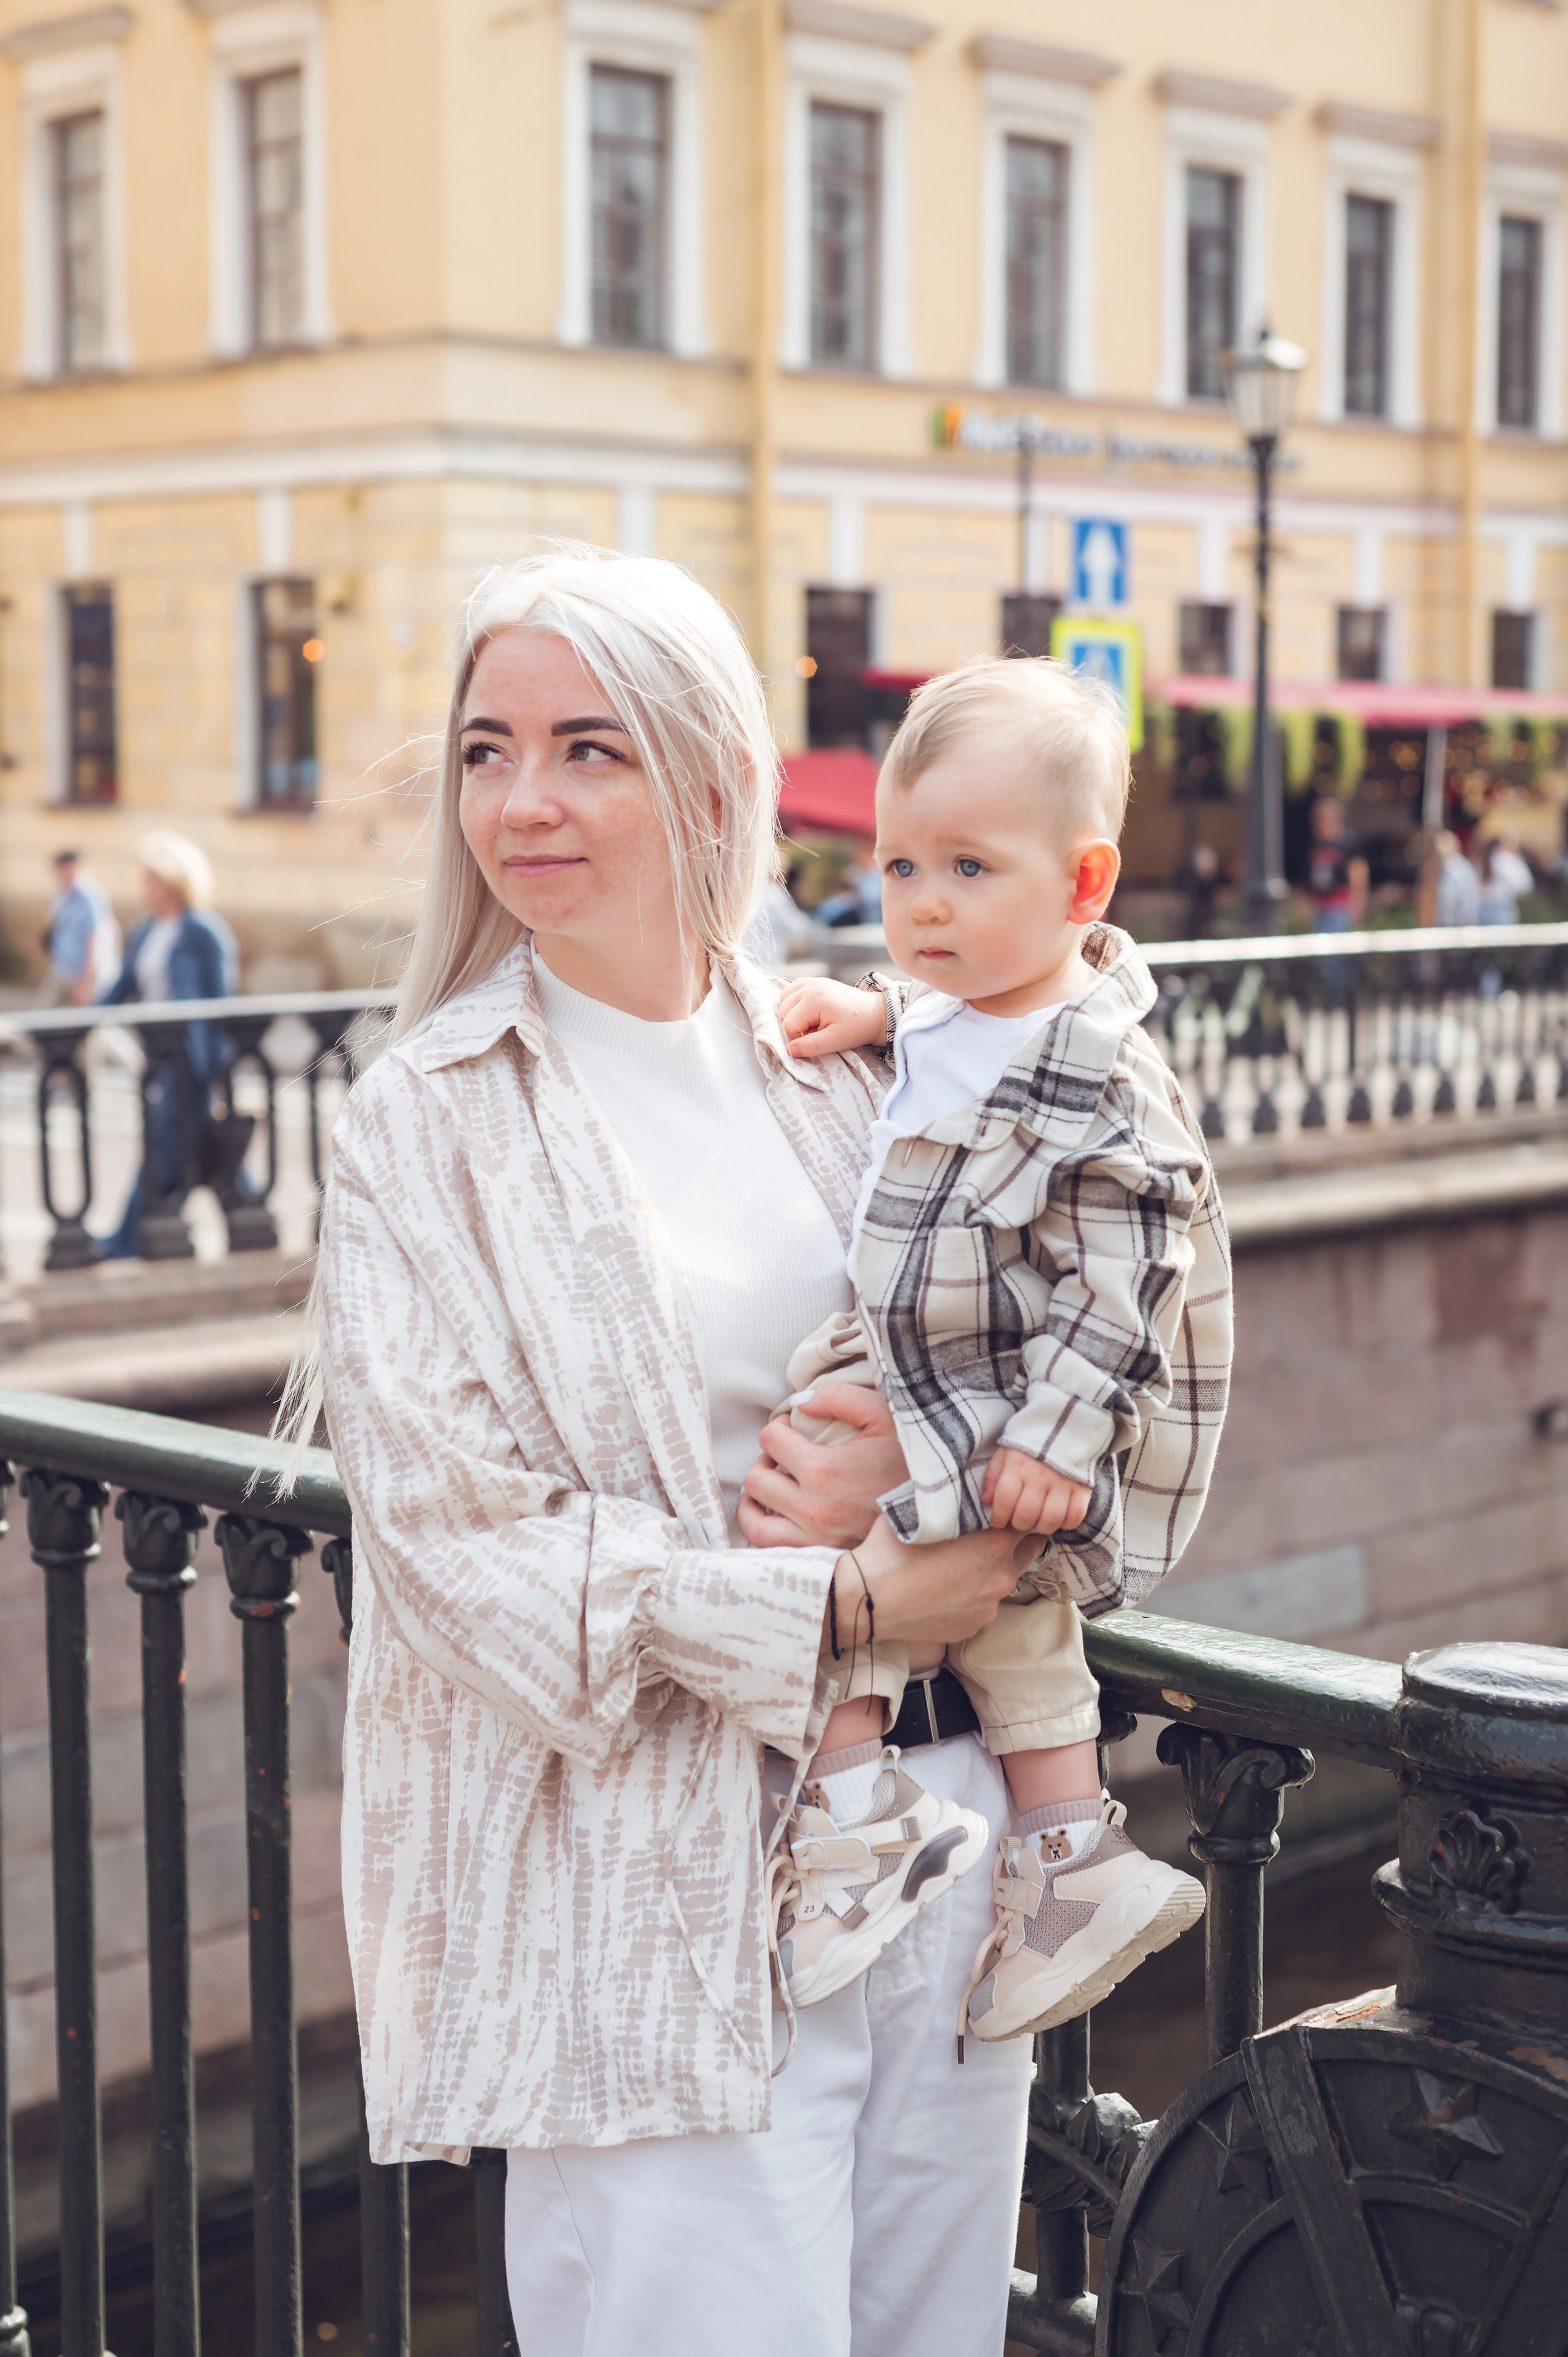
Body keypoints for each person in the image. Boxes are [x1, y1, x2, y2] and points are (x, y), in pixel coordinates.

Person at [299, 549, 1033, 2357]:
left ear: (713, 774)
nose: (521, 802)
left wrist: (921, 1471)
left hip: (943, 1841)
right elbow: (461, 1551)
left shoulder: (853, 1060)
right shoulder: (428, 1119)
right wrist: (842, 1602)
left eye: (586, 748)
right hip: (647, 1879)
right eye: (487, 749)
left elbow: (1080, 1324)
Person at [770, 658, 1229, 2048]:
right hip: (947, 1361)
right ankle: (1057, 1849)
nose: (922, 903)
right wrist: (871, 1006)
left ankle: (865, 1817)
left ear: (1082, 886)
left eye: (967, 866)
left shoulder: (1089, 1062)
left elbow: (1130, 1269)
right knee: (913, 1552)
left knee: (818, 1522)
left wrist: (1052, 1438)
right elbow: (942, 1010)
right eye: (899, 863)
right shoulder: (970, 1006)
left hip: (1020, 1405)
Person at [97, 832, 241, 1258]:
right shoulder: (144, 932)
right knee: (186, 1144)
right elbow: (122, 986)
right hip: (159, 1060)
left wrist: (219, 1071)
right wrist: (83, 1014)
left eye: (152, 880)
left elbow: (221, 1003)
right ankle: (243, 1226)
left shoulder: (204, 932)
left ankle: (128, 1239)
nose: (145, 889)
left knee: (187, 1143)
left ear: (175, 882)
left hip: (192, 1059)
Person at [40, 848, 119, 1007]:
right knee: (45, 1015)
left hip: (79, 973)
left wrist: (87, 983)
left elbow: (94, 939)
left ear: (70, 867)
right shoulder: (63, 895)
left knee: (77, 1021)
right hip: (61, 968)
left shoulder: (90, 898)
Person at [1305, 796, 1368, 932]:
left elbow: (1359, 876)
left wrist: (1357, 906)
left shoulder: (1348, 843)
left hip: (1340, 907)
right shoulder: (1315, 844)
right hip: (1320, 907)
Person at [1476, 833, 1533, 926]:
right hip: (1500, 908)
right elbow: (1524, 886)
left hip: (1488, 908)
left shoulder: (1487, 860)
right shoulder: (1505, 860)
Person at [1433, 831, 1480, 929]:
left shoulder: (1458, 869)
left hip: (1458, 925)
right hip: (1453, 924)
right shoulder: (1450, 868)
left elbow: (1467, 899)